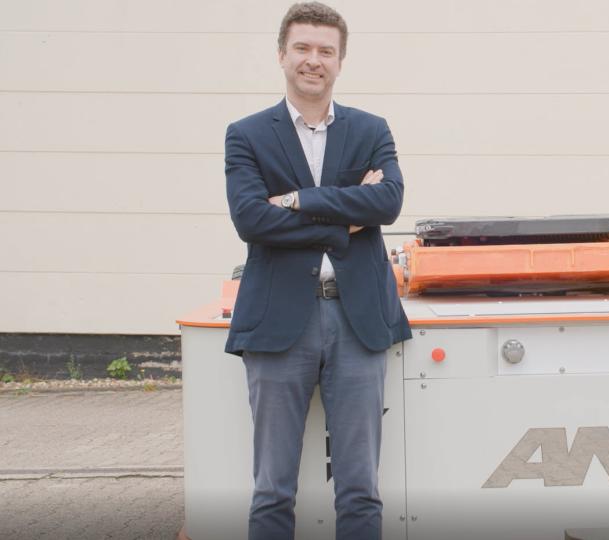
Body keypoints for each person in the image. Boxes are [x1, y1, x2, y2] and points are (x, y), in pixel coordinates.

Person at [223, 2, 411, 539]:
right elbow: (251, 218)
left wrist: (300, 199)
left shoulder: (371, 128)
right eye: (302, 48)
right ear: (282, 54)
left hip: (357, 321)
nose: (313, 60)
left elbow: (389, 203)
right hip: (279, 321)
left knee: (360, 489)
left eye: (325, 51)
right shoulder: (247, 134)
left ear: (340, 61)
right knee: (271, 490)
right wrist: (342, 218)